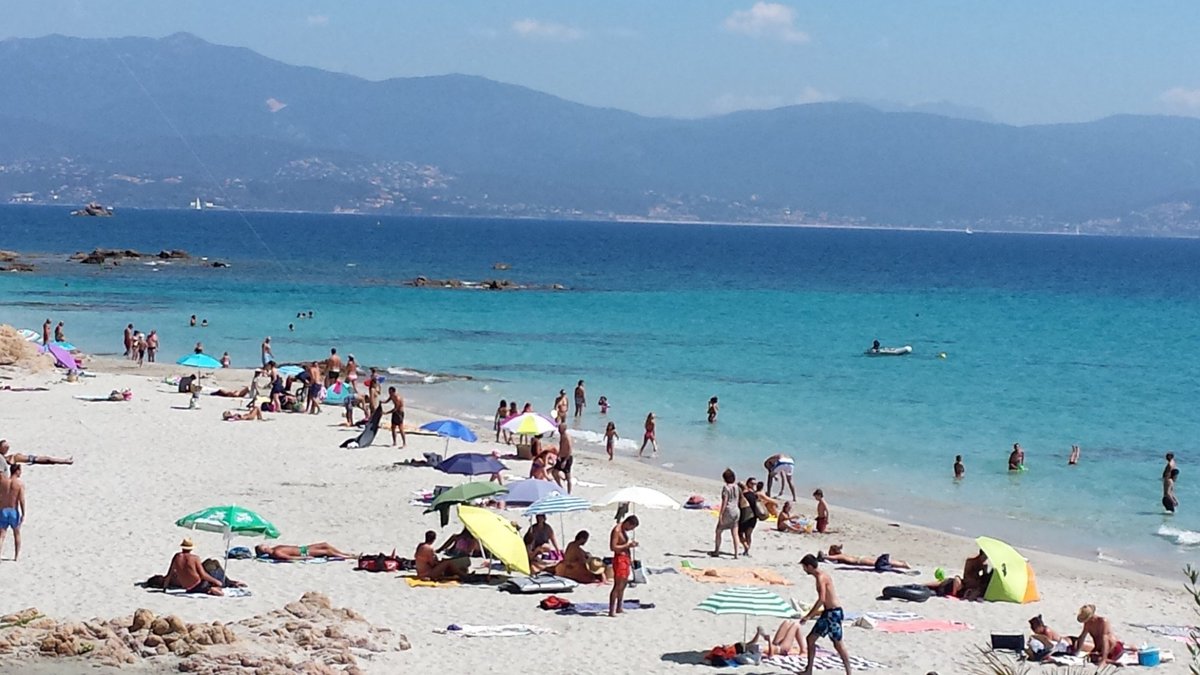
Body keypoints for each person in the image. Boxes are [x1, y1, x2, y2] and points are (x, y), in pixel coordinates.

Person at [797, 554, 852, 675]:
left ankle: (849, 672)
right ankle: (809, 670)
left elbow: (821, 599)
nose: (804, 570)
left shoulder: (821, 577)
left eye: (804, 567)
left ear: (810, 566)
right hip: (829, 613)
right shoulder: (822, 575)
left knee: (837, 643)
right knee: (811, 639)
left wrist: (809, 616)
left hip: (833, 614)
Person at [608, 515, 639, 617]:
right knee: (617, 585)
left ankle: (619, 607)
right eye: (631, 527)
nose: (630, 530)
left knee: (624, 584)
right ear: (628, 523)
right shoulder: (617, 530)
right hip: (619, 559)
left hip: (625, 559)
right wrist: (627, 545)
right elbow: (613, 547)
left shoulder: (623, 530)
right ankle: (611, 610)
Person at [711, 468, 741, 558]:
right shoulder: (737, 487)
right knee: (735, 533)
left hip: (728, 510)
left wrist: (720, 514)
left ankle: (717, 550)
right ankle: (736, 554)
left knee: (718, 531)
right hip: (736, 510)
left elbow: (725, 501)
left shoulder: (726, 488)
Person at [0, 464, 25, 561]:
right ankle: (16, 556)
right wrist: (23, 513)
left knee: (2, 534)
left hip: (3, 510)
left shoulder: (3, 482)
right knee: (17, 533)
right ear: (17, 471)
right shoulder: (19, 484)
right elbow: (21, 500)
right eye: (20, 470)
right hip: (13, 510)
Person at [817, 544, 910, 569]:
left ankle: (903, 565)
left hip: (860, 561)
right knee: (882, 561)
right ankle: (901, 563)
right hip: (861, 558)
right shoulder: (843, 555)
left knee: (882, 563)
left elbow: (831, 558)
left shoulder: (840, 556)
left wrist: (824, 557)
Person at [0, 440, 73, 468]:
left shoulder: (13, 458)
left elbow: (41, 460)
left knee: (46, 459)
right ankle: (65, 461)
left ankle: (64, 461)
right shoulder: (12, 458)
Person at [738, 477, 762, 556]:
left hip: (746, 516)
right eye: (752, 483)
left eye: (755, 484)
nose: (753, 485)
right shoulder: (756, 494)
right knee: (748, 534)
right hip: (753, 516)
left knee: (741, 533)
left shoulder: (743, 493)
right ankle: (746, 550)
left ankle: (746, 547)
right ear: (747, 483)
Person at [255, 542, 352, 561]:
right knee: (326, 551)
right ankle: (348, 557)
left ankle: (344, 553)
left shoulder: (275, 548)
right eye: (263, 546)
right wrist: (305, 558)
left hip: (303, 548)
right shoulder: (276, 553)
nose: (266, 544)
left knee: (325, 544)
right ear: (264, 550)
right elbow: (290, 558)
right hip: (304, 552)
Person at [553, 423, 574, 493]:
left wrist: (565, 460)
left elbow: (570, 449)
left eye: (560, 428)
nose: (558, 430)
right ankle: (560, 487)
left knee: (568, 477)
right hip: (561, 457)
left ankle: (569, 493)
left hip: (567, 458)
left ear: (564, 429)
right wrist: (558, 455)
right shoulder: (562, 436)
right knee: (554, 472)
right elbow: (562, 447)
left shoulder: (567, 436)